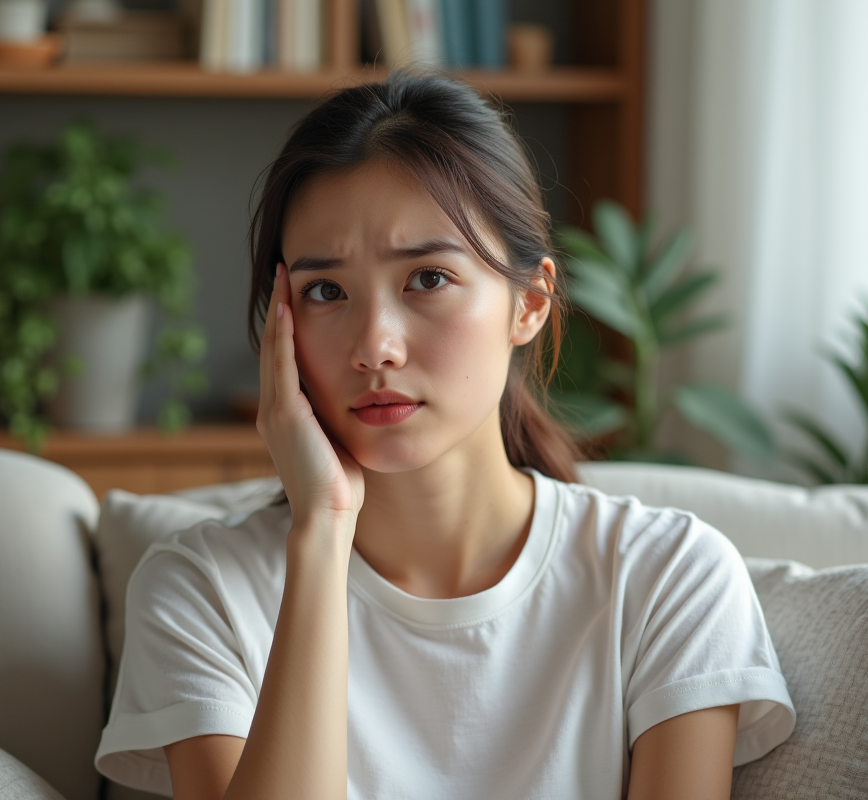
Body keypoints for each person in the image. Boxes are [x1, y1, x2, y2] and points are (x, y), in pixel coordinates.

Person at [94, 72, 795, 800]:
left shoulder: (670, 577)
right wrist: (322, 531)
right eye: (326, 291)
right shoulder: (202, 589)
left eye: (427, 279)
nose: (375, 347)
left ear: (529, 303)